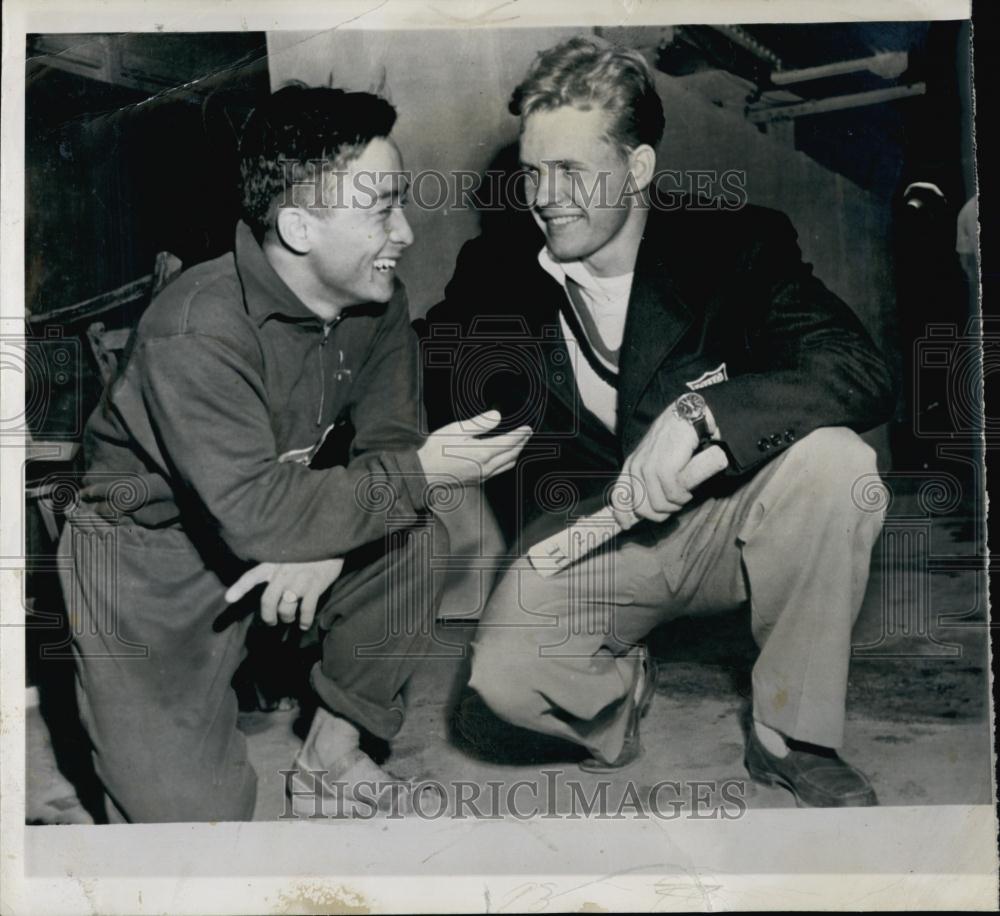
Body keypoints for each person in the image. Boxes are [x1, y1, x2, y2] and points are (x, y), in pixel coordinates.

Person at [425, 37, 896, 807]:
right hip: (593, 535)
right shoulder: (495, 271)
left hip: (726, 527)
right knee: (501, 685)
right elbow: (412, 369)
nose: (545, 195)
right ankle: (617, 698)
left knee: (836, 463)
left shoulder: (735, 244)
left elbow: (858, 367)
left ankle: (790, 733)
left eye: (571, 170)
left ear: (638, 168)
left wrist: (704, 414)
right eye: (533, 171)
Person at [57, 85, 530, 823]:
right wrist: (346, 507)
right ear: (301, 228)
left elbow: (390, 441)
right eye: (381, 209)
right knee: (187, 842)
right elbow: (272, 510)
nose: (404, 231)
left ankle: (331, 758)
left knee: (413, 540)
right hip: (146, 560)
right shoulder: (196, 327)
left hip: (271, 513)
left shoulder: (378, 302)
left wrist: (327, 543)